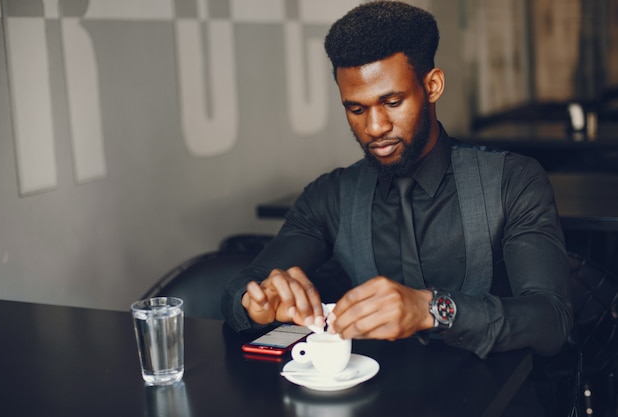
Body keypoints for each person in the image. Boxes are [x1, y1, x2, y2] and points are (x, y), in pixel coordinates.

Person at [222, 1, 572, 362]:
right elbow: (239, 289)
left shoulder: (512, 182)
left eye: (392, 102)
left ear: (432, 86)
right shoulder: (329, 198)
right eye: (356, 109)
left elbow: (552, 320)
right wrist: (256, 305)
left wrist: (432, 309)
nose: (374, 128)